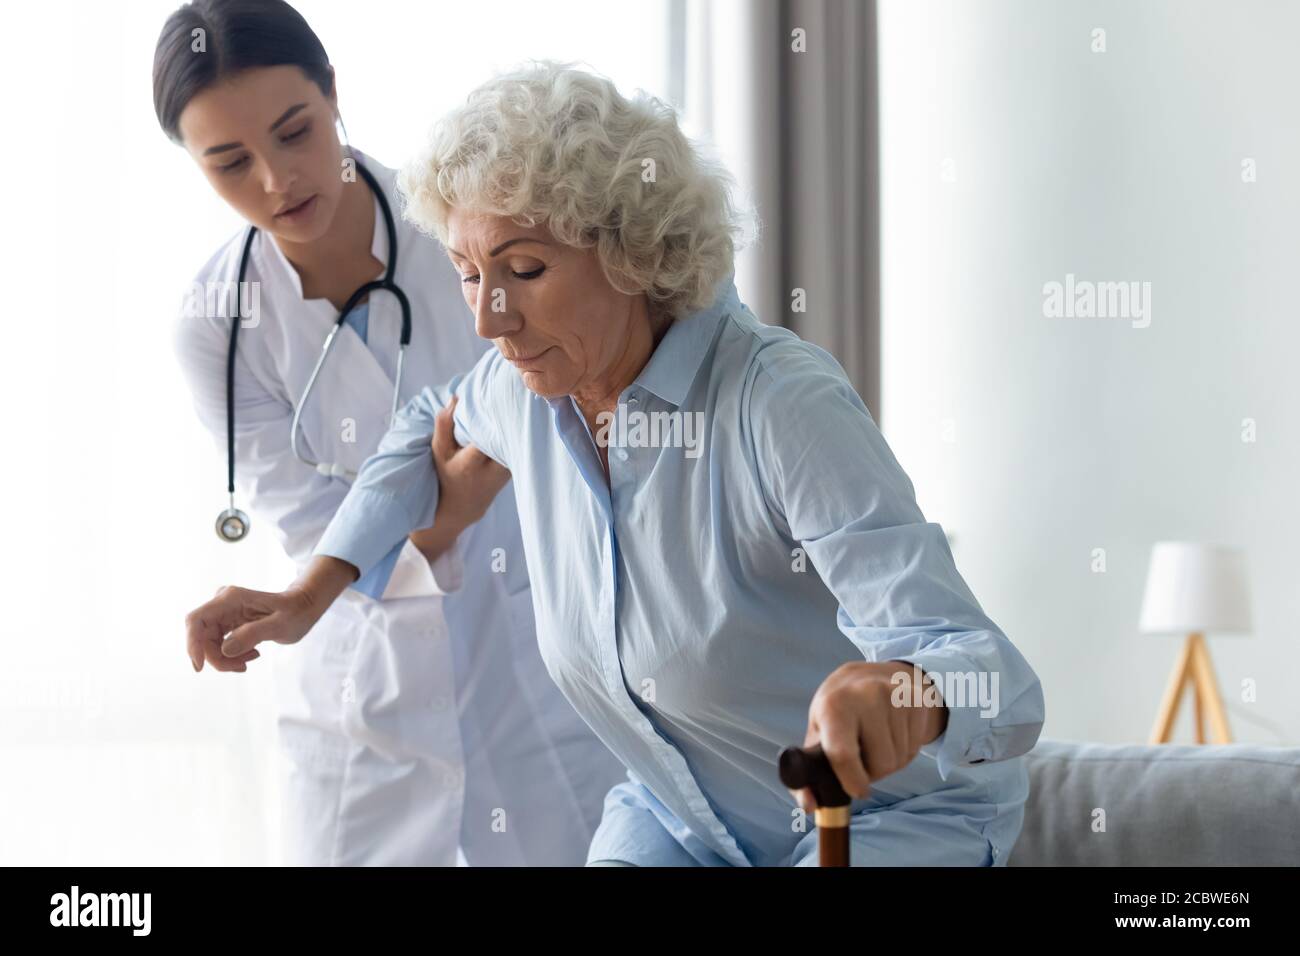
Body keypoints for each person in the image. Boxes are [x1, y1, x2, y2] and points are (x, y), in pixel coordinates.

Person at [186, 60, 1045, 866]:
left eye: (524, 269)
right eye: (465, 272)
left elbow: (994, 676)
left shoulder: (775, 403)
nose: (488, 318)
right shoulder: (528, 390)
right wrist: (310, 593)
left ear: (634, 253)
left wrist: (904, 694)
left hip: (886, 816)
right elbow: (422, 423)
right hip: (681, 821)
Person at [158, 3, 623, 866]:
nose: (275, 181)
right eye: (229, 163)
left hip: (537, 663)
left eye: (296, 132)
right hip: (359, 698)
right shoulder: (215, 328)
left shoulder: (469, 239)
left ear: (334, 92)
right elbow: (315, 530)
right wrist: (444, 519)